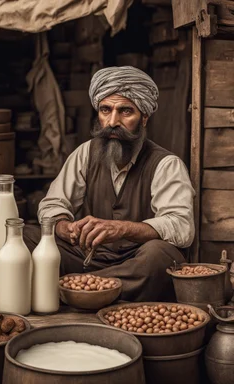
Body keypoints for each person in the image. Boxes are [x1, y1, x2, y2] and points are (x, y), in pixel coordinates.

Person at [24, 66, 195, 302]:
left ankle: (81, 287)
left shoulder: (166, 164)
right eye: (106, 110)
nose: (113, 121)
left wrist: (122, 229)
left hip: (137, 260)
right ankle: (99, 288)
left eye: (125, 111)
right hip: (89, 255)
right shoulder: (86, 152)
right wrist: (66, 227)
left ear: (144, 117)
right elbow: (52, 204)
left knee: (160, 257)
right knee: (26, 236)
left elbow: (181, 227)